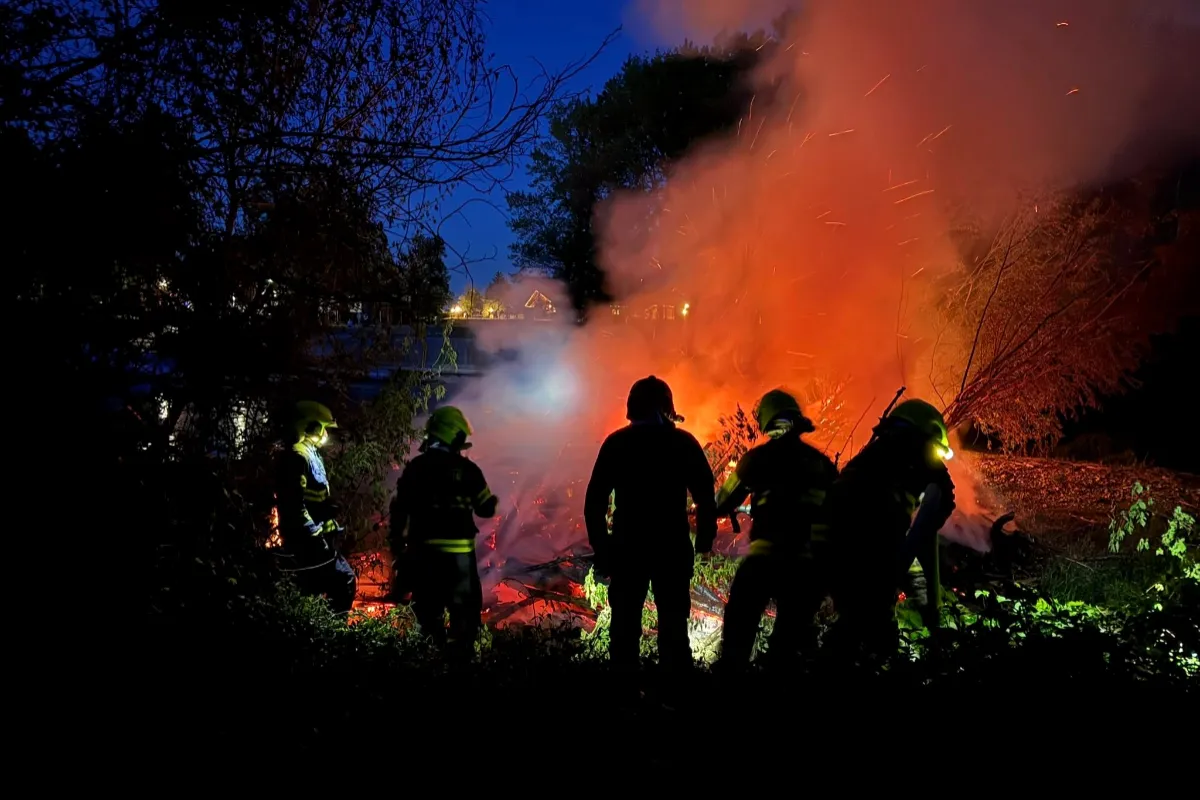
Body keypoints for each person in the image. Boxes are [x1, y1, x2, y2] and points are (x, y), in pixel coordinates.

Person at [584, 376, 718, 690]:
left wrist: (603, 550)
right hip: (671, 549)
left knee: (624, 628)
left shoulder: (616, 443)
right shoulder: (683, 443)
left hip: (628, 550)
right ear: (666, 409)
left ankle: (625, 695)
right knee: (673, 626)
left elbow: (594, 503)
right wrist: (705, 541)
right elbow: (705, 497)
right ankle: (675, 694)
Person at [713, 389, 838, 672]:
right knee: (790, 643)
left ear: (767, 422)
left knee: (739, 625)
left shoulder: (758, 459)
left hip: (765, 560)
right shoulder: (822, 464)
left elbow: (722, 502)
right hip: (806, 566)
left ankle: (729, 691)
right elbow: (838, 515)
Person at [823, 397, 956, 660]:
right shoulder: (921, 457)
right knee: (877, 637)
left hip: (838, 557)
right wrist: (930, 606)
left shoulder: (865, 460)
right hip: (875, 557)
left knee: (852, 623)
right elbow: (936, 510)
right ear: (926, 435)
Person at [390, 406, 498, 664]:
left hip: (424, 557)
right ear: (456, 437)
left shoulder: (416, 468)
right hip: (460, 560)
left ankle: (429, 672)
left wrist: (398, 550)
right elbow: (485, 509)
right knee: (465, 620)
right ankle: (458, 674)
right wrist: (491, 501)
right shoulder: (468, 470)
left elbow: (399, 512)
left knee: (427, 619)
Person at [274, 400, 357, 615]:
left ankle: (319, 634)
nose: (326, 433)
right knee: (342, 580)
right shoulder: (297, 456)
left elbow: (314, 497)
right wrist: (313, 532)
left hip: (316, 537)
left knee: (315, 589)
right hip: (307, 540)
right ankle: (331, 636)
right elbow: (293, 503)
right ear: (311, 426)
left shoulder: (310, 453)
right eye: (324, 427)